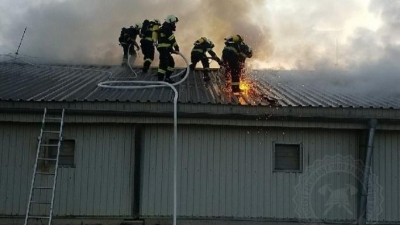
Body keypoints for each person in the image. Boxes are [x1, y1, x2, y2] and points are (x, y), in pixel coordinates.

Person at [156, 15, 180, 83]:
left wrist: (171, 49)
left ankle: (167, 78)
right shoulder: (166, 28)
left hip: (166, 49)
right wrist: (176, 47)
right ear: (170, 21)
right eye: (173, 22)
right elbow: (171, 38)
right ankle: (160, 80)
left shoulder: (165, 28)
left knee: (171, 63)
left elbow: (166, 40)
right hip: (164, 49)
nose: (174, 24)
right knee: (164, 64)